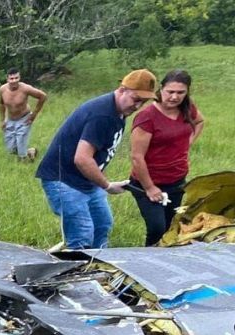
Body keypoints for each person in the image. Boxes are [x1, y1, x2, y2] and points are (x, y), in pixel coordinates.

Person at [36, 70, 157, 250]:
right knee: (82, 233)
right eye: (135, 99)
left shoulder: (119, 111)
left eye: (143, 101)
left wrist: (101, 181)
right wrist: (107, 185)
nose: (138, 106)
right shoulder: (103, 115)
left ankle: (100, 268)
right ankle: (78, 274)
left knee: (102, 224)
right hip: (63, 179)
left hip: (85, 180)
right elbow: (82, 159)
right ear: (122, 89)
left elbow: (97, 155)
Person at [129, 69, 204, 246]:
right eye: (170, 91)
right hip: (147, 183)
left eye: (180, 93)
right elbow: (136, 157)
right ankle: (149, 266)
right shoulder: (147, 117)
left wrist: (187, 144)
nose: (174, 97)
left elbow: (200, 122)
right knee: (157, 228)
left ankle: (168, 265)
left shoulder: (187, 109)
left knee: (172, 227)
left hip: (177, 181)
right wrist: (150, 188)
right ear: (161, 89)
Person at [0, 68, 48, 161]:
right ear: (7, 79)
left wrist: (34, 114)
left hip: (24, 119)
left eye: (16, 78)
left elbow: (43, 96)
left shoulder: (25, 88)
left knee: (21, 149)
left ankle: (22, 164)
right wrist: (2, 120)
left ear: (19, 78)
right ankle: (31, 151)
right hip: (10, 120)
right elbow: (1, 104)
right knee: (11, 150)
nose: (14, 81)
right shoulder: (2, 89)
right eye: (11, 78)